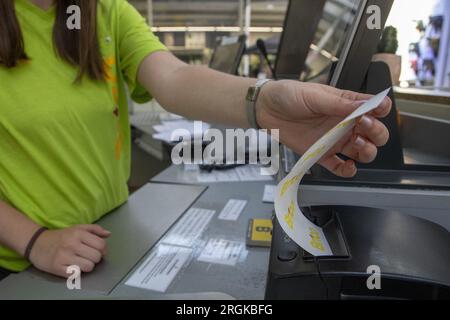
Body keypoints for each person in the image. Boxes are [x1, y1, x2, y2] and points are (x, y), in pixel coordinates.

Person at [0, 0, 391, 279]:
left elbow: (173, 80)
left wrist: (266, 104)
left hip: (108, 236)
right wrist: (36, 241)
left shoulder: (107, 12)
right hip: (25, 259)